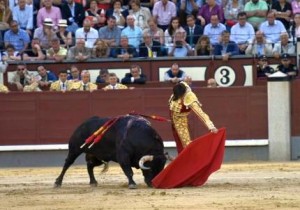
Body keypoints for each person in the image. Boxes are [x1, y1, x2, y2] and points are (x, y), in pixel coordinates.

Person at [169, 81, 218, 153]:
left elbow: (200, 113)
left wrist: (211, 126)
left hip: (181, 121)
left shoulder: (189, 97)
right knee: (179, 142)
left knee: (186, 143)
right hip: (174, 121)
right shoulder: (179, 87)